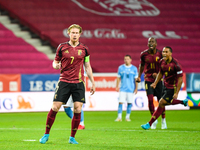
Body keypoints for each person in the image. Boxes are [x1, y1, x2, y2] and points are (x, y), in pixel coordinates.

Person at [39, 24, 95, 144]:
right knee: (55, 107)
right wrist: (56, 66)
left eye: (77, 33)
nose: (74, 35)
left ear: (80, 34)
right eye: (72, 32)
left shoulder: (85, 49)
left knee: (78, 108)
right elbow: (55, 62)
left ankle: (72, 137)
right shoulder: (62, 47)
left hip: (79, 82)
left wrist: (93, 82)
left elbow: (87, 66)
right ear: (69, 33)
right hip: (64, 81)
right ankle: (46, 134)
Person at [141, 46, 188, 130]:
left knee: (162, 102)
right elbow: (160, 72)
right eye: (163, 52)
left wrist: (177, 92)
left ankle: (149, 123)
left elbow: (180, 79)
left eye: (166, 52)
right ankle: (182, 102)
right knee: (166, 101)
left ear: (170, 53)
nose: (164, 53)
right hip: (164, 85)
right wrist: (155, 83)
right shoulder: (161, 61)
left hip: (172, 87)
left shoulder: (176, 65)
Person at [136, 37, 167, 129]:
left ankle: (163, 120)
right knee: (150, 100)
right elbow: (141, 65)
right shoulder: (143, 54)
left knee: (161, 101)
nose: (151, 43)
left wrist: (158, 75)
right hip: (148, 79)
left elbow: (165, 67)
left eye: (152, 42)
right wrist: (139, 76)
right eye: (149, 42)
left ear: (156, 44)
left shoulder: (161, 54)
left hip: (158, 80)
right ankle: (154, 120)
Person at [115, 55, 138, 122]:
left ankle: (127, 117)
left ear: (131, 60)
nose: (126, 60)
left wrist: (136, 88)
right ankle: (119, 117)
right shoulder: (121, 68)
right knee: (120, 102)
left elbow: (136, 79)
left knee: (129, 103)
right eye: (125, 59)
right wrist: (117, 86)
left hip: (131, 89)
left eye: (127, 59)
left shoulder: (134, 68)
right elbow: (118, 78)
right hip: (122, 88)